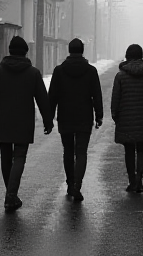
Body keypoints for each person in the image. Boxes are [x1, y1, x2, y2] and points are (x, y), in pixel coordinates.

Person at [0, 35, 54, 212]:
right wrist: (48, 120)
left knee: (6, 159)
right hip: (23, 122)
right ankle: (11, 196)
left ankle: (11, 195)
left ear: (9, 51)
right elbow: (42, 99)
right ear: (25, 53)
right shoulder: (33, 73)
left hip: (3, 121)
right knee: (19, 157)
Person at [48, 38, 103, 202]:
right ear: (83, 50)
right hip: (84, 117)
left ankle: (70, 183)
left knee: (68, 151)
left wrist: (49, 118)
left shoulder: (59, 71)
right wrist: (99, 115)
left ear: (69, 50)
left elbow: (52, 96)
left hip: (65, 116)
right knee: (81, 152)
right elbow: (97, 95)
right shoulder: (91, 71)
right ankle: (77, 185)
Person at [110, 43, 143, 194]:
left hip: (126, 117)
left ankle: (131, 180)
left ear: (127, 56)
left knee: (129, 150)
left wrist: (115, 115)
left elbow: (115, 98)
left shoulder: (121, 75)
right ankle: (139, 179)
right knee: (142, 149)